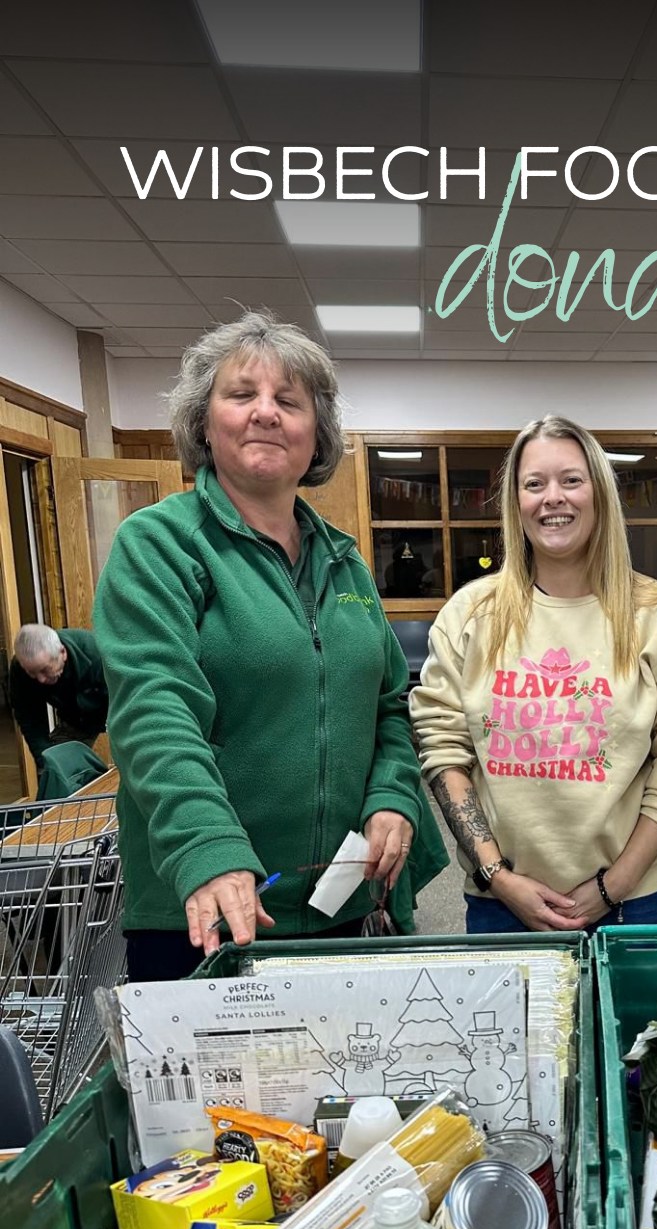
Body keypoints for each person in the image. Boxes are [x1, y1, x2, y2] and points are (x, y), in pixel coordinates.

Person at [93, 312, 447, 982]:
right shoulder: (161, 544)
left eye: (288, 401)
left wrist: (394, 798)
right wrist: (208, 846)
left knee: (347, 1081)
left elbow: (390, 710)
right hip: (207, 905)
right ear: (203, 422)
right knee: (223, 1092)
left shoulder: (346, 563)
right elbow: (154, 711)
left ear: (317, 437)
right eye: (241, 395)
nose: (265, 414)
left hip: (339, 897)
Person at [411, 413, 657, 933]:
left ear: (599, 494)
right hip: (501, 901)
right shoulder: (470, 615)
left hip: (630, 905)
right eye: (533, 484)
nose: (552, 497)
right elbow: (443, 750)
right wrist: (498, 876)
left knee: (628, 1020)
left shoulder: (655, 614)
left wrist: (614, 887)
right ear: (516, 504)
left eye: (571, 480)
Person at [8, 625, 109, 796]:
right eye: (32, 673)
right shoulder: (20, 670)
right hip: (75, 720)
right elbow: (29, 719)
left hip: (114, 707)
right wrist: (44, 759)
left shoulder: (98, 653)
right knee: (54, 771)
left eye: (45, 670)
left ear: (62, 652)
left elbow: (129, 702)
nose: (40, 679)